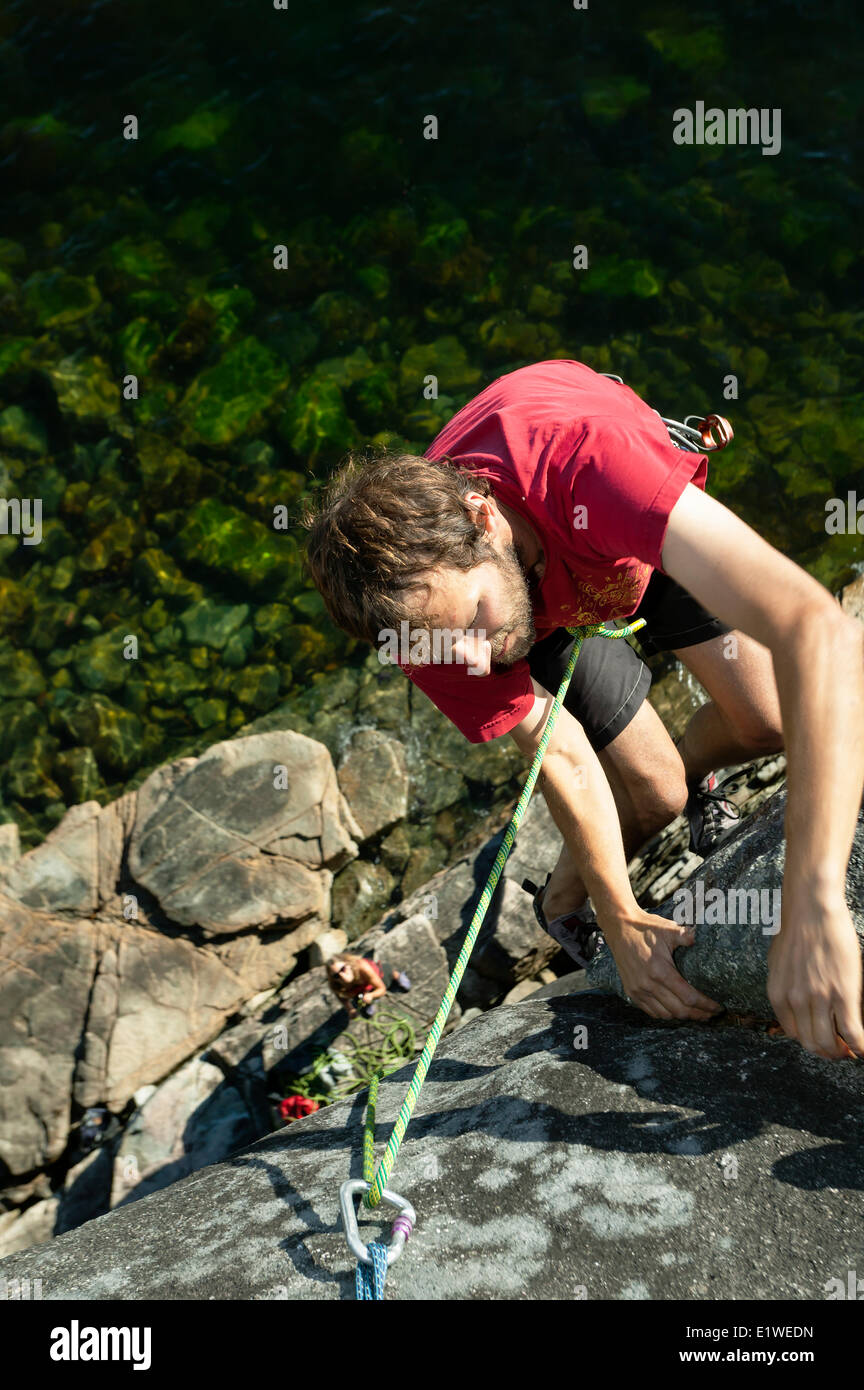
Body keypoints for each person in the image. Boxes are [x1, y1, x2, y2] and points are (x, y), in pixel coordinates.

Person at [302, 359, 864, 1062]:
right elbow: (558, 748)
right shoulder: (423, 620)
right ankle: (562, 904)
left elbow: (815, 628)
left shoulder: (593, 465)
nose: (476, 664)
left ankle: (691, 779)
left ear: (481, 514)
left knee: (770, 723)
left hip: (607, 540)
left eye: (471, 623)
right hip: (542, 594)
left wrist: (813, 903)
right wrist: (618, 913)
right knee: (653, 795)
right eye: (445, 649)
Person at [326, 953, 412, 1019]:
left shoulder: (362, 967)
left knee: (387, 980)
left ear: (348, 964)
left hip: (377, 977)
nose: (342, 976)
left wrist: (372, 995)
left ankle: (396, 975)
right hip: (361, 990)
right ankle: (368, 1002)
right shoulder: (335, 983)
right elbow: (340, 995)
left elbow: (382, 989)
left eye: (343, 969)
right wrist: (350, 1009)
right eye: (336, 975)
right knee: (364, 1009)